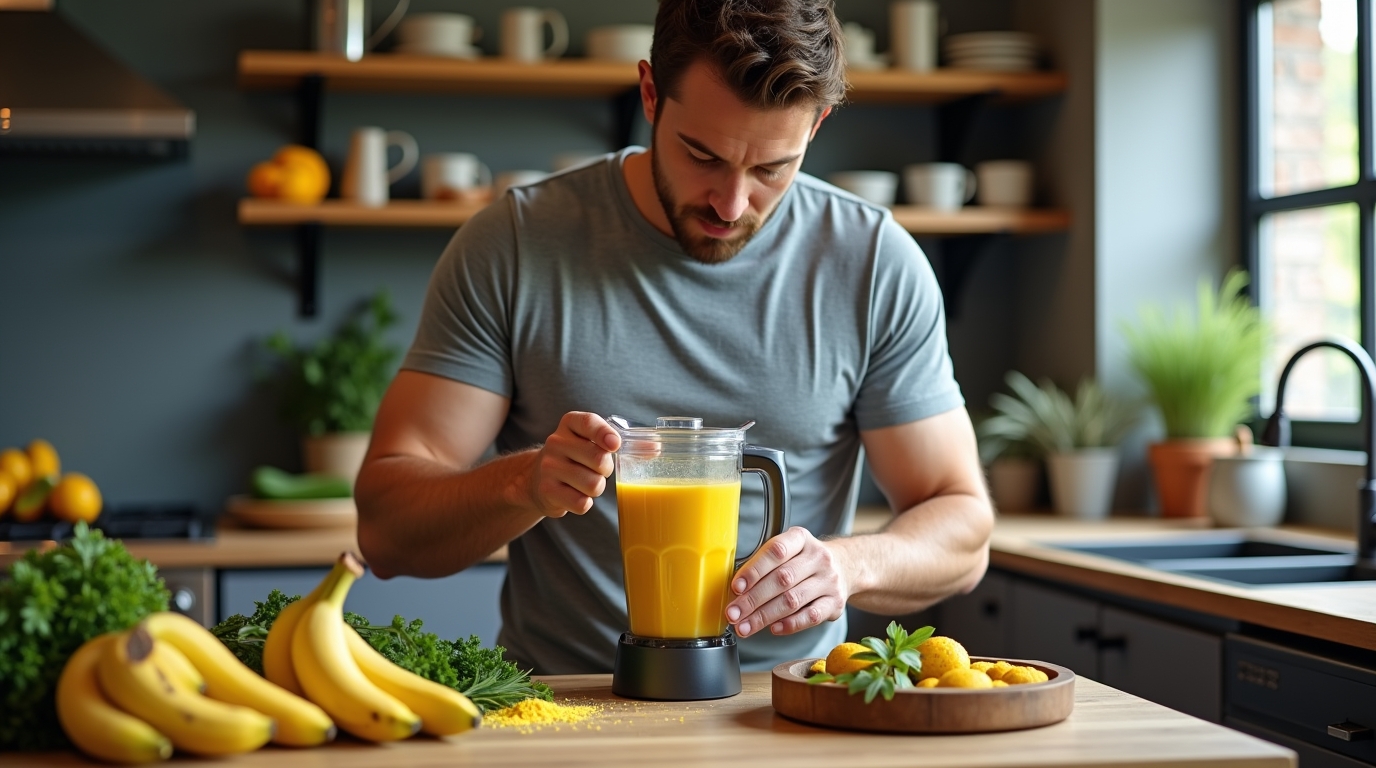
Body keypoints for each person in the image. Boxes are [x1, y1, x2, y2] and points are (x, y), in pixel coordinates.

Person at [356, 0, 994, 674]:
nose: (731, 204)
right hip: (562, 703)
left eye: (772, 168)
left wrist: (848, 565)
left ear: (817, 125)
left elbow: (962, 530)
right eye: (702, 155)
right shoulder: (513, 245)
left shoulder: (874, 263)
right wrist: (525, 483)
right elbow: (387, 531)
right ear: (651, 94)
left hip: (787, 706)